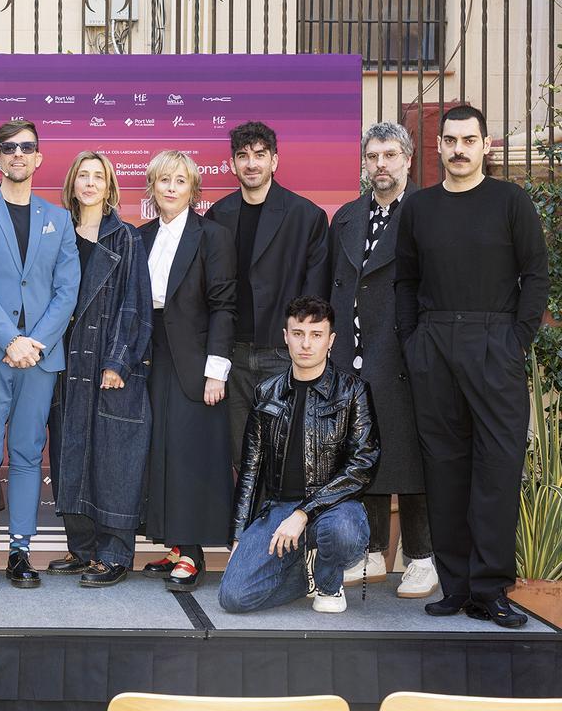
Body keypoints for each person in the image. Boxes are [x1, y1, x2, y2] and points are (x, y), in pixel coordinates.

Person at [395, 105, 549, 628]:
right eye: (450, 140)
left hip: (494, 343)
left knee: (496, 470)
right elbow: (405, 283)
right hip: (434, 343)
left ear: (486, 145)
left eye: (469, 140)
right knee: (444, 470)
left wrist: (515, 341)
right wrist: (413, 341)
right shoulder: (418, 209)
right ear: (437, 147)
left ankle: (490, 589)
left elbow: (536, 276)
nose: (459, 149)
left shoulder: (511, 202)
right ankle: (456, 587)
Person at [0, 120, 80, 591]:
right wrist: (10, 340)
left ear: (39, 157)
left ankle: (21, 552)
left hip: (40, 356)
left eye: (27, 147)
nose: (18, 154)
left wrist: (35, 342)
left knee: (27, 454)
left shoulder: (59, 218)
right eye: (9, 148)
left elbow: (67, 290)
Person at [328, 122, 437, 598]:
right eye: (374, 156)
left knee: (411, 460)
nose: (382, 165)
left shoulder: (427, 213)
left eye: (391, 155)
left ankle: (421, 556)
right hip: (354, 355)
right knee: (363, 453)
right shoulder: (348, 218)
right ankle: (370, 550)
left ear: (408, 160)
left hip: (407, 356)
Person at [218, 296, 378, 614]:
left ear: (331, 340)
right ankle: (299, 576)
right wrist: (237, 538)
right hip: (279, 510)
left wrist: (304, 513)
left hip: (332, 509)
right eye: (298, 333)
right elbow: (250, 470)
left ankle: (329, 584)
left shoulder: (353, 391)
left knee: (343, 532)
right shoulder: (267, 392)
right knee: (233, 597)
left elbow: (363, 464)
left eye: (316, 334)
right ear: (286, 336)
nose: (306, 343)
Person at [44, 151, 151, 588]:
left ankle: (114, 553)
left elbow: (136, 304)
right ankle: (82, 548)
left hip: (107, 363)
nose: (89, 183)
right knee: (70, 452)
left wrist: (117, 360)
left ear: (109, 187)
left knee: (112, 459)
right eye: (82, 175)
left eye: (98, 177)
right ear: (71, 184)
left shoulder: (124, 238)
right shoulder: (55, 234)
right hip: (61, 362)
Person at [136, 151, 237, 592]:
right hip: (151, 356)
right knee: (160, 450)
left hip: (195, 360)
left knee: (191, 454)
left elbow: (224, 306)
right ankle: (175, 545)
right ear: (152, 188)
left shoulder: (212, 237)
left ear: (193, 189)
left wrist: (216, 370)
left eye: (180, 180)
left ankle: (193, 553)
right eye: (164, 180)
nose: (172, 188)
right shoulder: (139, 238)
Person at [205, 121, 330, 464]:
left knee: (285, 460)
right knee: (241, 462)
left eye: (260, 155)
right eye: (243, 156)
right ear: (232, 164)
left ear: (275, 160)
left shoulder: (306, 216)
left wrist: (300, 351)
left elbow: (315, 297)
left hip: (283, 357)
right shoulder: (218, 216)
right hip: (234, 359)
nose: (251, 163)